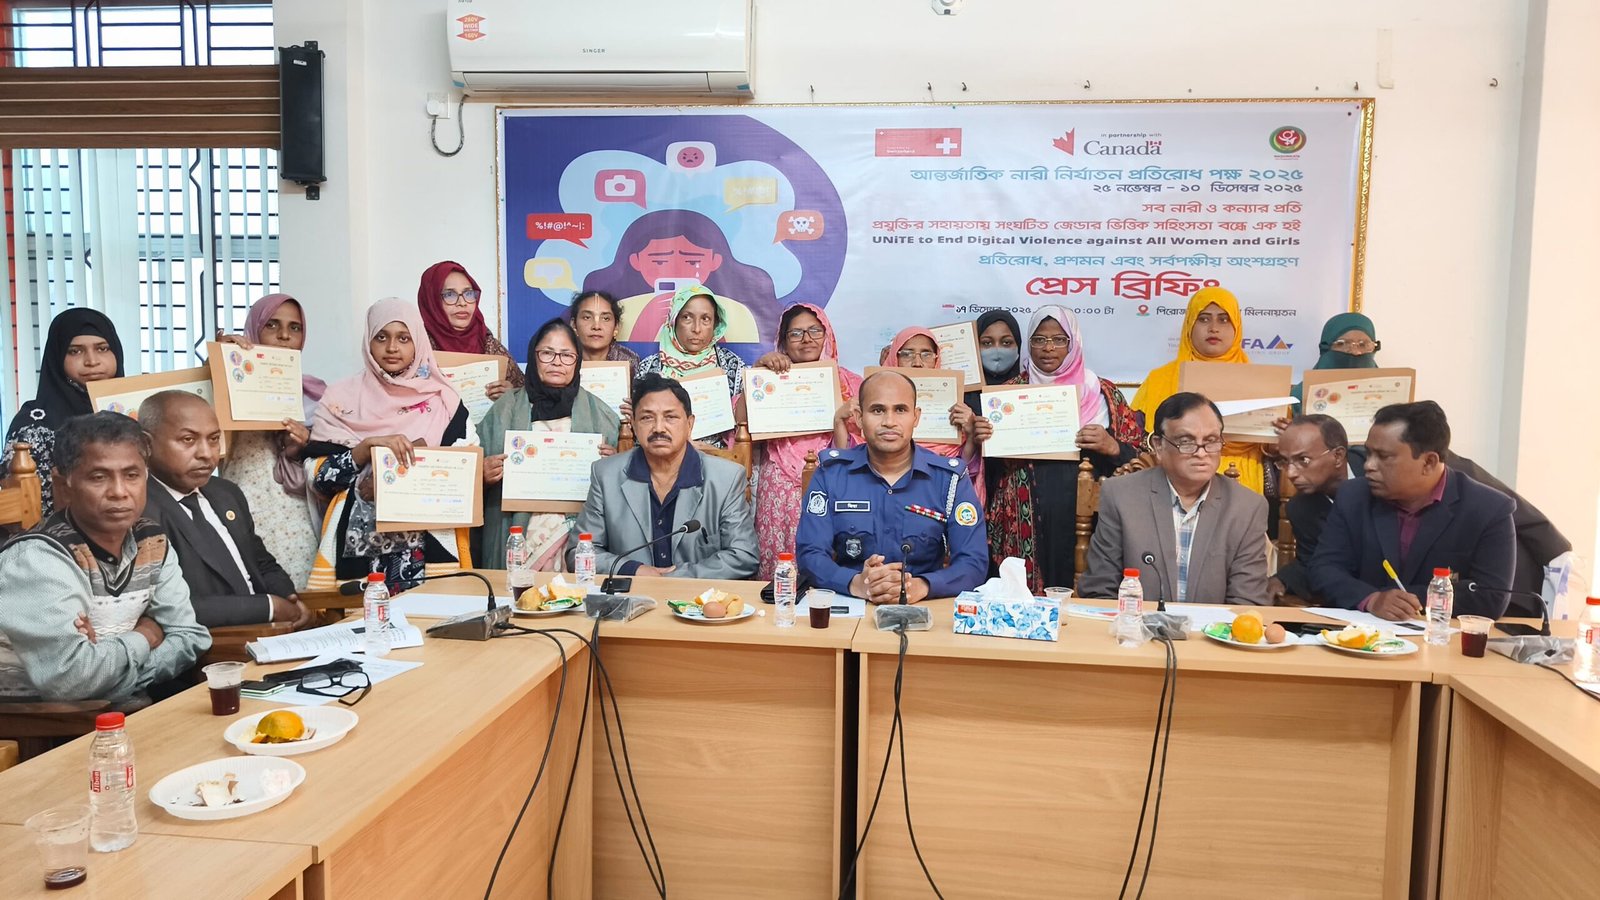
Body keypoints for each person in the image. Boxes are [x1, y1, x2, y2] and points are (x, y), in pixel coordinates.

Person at [0, 412, 210, 701]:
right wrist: (146, 636)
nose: (119, 492)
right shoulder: (38, 558)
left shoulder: (152, 541)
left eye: (132, 475)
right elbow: (71, 679)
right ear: (63, 483)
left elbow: (190, 637)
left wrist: (110, 668)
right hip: (39, 719)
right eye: (98, 477)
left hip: (122, 708)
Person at [303, 298, 476, 591]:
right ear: (368, 341)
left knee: (429, 614)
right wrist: (362, 451)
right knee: (361, 618)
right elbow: (316, 478)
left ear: (418, 342)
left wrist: (389, 485)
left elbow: (463, 478)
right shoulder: (340, 398)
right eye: (381, 337)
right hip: (358, 553)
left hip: (427, 547)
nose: (392, 347)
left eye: (403, 338)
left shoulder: (444, 401)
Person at [1310, 401, 1517, 620]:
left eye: (1383, 456)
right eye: (1368, 453)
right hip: (1362, 632)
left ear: (1428, 462)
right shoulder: (1353, 496)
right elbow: (1323, 569)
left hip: (1441, 634)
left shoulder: (1488, 509)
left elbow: (1491, 596)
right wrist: (1371, 599)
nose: (1368, 465)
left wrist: (1404, 600)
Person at [988, 306, 1146, 593]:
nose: (1048, 348)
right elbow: (989, 466)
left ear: (1074, 343)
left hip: (1091, 519)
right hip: (1024, 520)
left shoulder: (1103, 393)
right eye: (1039, 339)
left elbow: (1140, 458)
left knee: (1086, 596)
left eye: (1059, 340)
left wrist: (1112, 446)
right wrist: (986, 437)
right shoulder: (1009, 394)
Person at [797, 370, 988, 603]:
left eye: (900, 410)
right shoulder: (831, 474)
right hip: (850, 603)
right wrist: (854, 583)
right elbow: (810, 554)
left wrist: (921, 586)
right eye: (878, 410)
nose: (889, 422)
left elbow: (973, 562)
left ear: (916, 417)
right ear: (859, 417)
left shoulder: (949, 479)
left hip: (922, 607)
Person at [136, 391, 309, 630]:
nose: (206, 453)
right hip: (212, 643)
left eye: (214, 439)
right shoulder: (138, 511)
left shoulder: (227, 493)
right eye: (188, 440)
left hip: (270, 633)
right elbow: (163, 606)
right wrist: (269, 607)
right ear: (146, 445)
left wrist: (289, 597)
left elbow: (260, 561)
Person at [1080, 392, 1270, 604]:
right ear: (1159, 446)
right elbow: (1099, 591)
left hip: (1215, 626)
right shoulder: (1121, 496)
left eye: (1211, 441)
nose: (1201, 453)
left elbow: (1247, 603)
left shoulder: (1247, 507)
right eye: (1186, 442)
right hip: (1136, 623)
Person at [573, 374, 757, 579]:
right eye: (647, 418)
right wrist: (632, 570)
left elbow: (743, 556)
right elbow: (579, 551)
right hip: (629, 593)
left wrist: (675, 579)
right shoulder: (606, 474)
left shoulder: (726, 478)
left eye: (670, 417)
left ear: (689, 424)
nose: (659, 428)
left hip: (697, 596)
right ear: (633, 424)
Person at [479, 318, 621, 569]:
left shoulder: (601, 414)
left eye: (567, 355)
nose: (557, 362)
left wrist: (612, 467)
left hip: (578, 542)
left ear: (577, 361)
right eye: (547, 353)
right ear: (533, 357)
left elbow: (621, 490)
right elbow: (469, 478)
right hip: (518, 539)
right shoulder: (505, 409)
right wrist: (483, 475)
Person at [215, 293, 325, 588]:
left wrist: (307, 442)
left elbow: (331, 462)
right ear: (254, 329)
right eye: (272, 325)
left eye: (295, 328)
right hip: (240, 507)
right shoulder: (227, 384)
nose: (284, 336)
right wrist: (220, 368)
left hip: (297, 517)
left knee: (299, 596)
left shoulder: (316, 393)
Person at [748, 303, 863, 580]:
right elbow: (740, 422)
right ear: (783, 341)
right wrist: (757, 374)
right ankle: (778, 598)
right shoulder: (771, 375)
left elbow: (864, 443)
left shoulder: (851, 383)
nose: (807, 339)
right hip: (779, 477)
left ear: (827, 335)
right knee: (780, 569)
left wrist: (842, 420)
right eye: (796, 333)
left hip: (833, 477)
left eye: (815, 331)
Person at [1130, 287, 1266, 494]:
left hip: (1240, 479)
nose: (1213, 328)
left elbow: (1274, 443)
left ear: (1237, 327)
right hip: (1171, 480)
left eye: (1223, 319)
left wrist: (1276, 441)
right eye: (1203, 319)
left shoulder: (1262, 381)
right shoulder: (1160, 378)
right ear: (1189, 325)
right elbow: (1136, 434)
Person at [1, 308, 125, 517]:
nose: (92, 361)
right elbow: (28, 511)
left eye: (102, 348)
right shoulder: (34, 423)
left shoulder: (134, 409)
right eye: (75, 351)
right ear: (57, 358)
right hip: (62, 532)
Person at [582, 208, 770, 343]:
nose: (678, 269)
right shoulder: (625, 307)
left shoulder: (736, 310)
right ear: (635, 260)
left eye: (693, 262)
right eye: (659, 262)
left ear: (715, 261)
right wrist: (645, 319)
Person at [855, 326, 988, 504]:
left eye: (926, 354)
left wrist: (970, 435)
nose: (917, 363)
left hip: (936, 497)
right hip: (879, 493)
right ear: (894, 356)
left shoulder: (957, 409)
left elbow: (964, 471)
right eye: (907, 354)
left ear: (937, 359)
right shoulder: (870, 401)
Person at [633, 284, 747, 444]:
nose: (697, 329)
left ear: (715, 324)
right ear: (674, 320)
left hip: (717, 457)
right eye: (687, 317)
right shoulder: (650, 367)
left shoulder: (731, 365)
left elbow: (743, 427)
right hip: (660, 453)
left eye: (705, 319)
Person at [1269, 414, 1351, 604]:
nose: (1291, 473)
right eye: (1285, 462)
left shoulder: (1378, 478)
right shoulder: (1300, 508)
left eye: (1303, 460)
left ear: (1338, 456)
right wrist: (1282, 580)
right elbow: (1311, 561)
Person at [416, 260, 523, 397]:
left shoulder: (490, 345)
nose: (462, 303)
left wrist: (513, 393)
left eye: (468, 293)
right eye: (449, 295)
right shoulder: (416, 349)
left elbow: (527, 393)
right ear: (431, 300)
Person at [1292, 312, 1381, 402]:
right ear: (1325, 347)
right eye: (1343, 344)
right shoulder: (1299, 399)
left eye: (1363, 344)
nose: (1355, 352)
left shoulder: (1387, 392)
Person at [570, 289, 641, 374]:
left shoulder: (629, 361)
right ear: (574, 325)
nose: (596, 326)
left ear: (616, 327)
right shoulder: (563, 359)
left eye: (605, 318)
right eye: (587, 317)